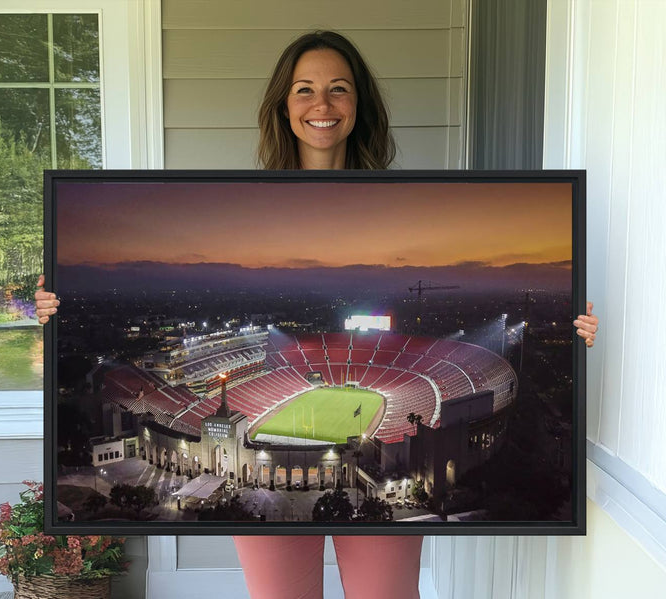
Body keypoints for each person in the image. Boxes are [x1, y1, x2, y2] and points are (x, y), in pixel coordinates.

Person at [35, 30, 599, 599]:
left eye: (339, 89)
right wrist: (52, 313)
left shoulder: (402, 201)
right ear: (284, 104)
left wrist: (577, 330)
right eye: (304, 89)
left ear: (359, 105)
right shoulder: (247, 204)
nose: (322, 105)